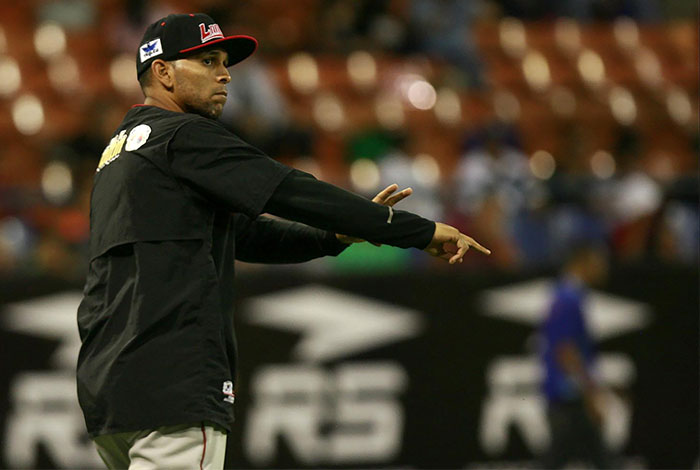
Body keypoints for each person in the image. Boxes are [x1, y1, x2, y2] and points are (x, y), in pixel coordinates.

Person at [76, 13, 490, 469]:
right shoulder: (183, 135)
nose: (225, 74)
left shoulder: (119, 154)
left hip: (111, 384)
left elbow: (244, 236)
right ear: (163, 72)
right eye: (208, 61)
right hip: (173, 376)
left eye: (224, 62)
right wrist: (412, 229)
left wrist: (333, 236)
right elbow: (289, 191)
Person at [539, 241, 614, 469]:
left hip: (569, 396)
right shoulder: (568, 298)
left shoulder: (568, 296)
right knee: (597, 458)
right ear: (583, 262)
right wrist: (590, 394)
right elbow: (566, 351)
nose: (603, 267)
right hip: (568, 397)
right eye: (598, 261)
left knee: (597, 457)